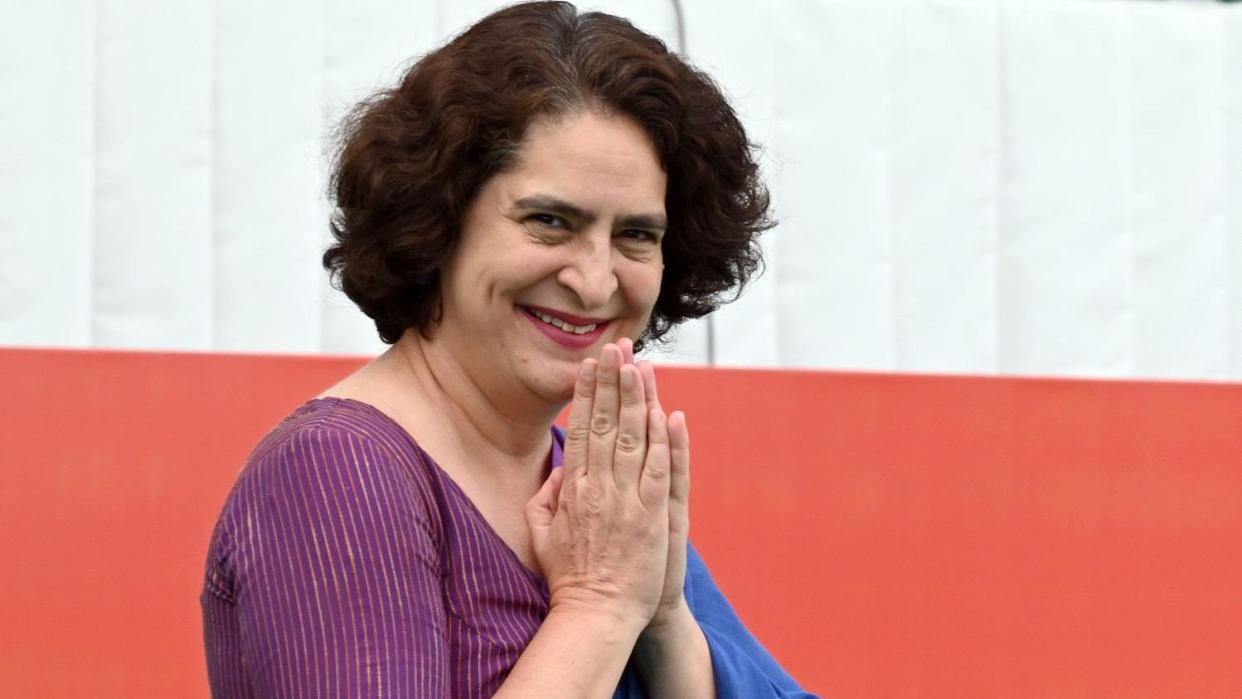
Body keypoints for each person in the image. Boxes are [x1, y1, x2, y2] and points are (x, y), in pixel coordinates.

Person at [201, 2, 816, 697]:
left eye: (636, 235)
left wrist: (666, 619)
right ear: (440, 215)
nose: (594, 279)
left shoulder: (592, 489)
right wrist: (600, 606)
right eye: (550, 221)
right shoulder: (334, 474)